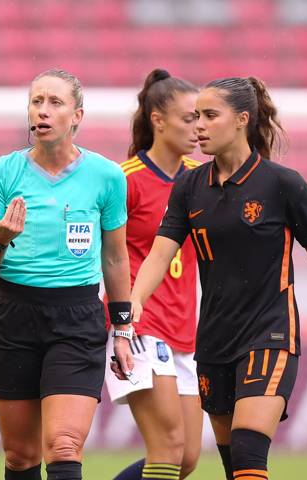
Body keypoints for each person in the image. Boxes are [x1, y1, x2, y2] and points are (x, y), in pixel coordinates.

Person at [128, 76, 307, 480]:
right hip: (213, 342)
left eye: (210, 116)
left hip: (270, 334)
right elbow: (161, 253)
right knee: (234, 466)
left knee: (248, 454)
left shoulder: (283, 184)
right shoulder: (190, 186)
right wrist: (135, 301)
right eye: (196, 117)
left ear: (242, 120)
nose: (199, 126)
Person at [0, 68, 133, 480]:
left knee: (63, 446)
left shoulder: (107, 176)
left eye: (55, 103)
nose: (42, 111)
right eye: (36, 101)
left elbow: (115, 260)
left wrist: (123, 331)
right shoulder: (1, 173)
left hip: (76, 318)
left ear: (77, 116)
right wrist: (0, 241)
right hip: (13, 315)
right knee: (21, 456)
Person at [104, 69, 202, 480]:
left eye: (201, 118)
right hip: (142, 327)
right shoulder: (125, 180)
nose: (198, 128)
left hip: (186, 329)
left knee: (187, 459)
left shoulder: (201, 179)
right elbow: (103, 255)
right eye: (188, 118)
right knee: (167, 448)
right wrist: (118, 321)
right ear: (158, 121)